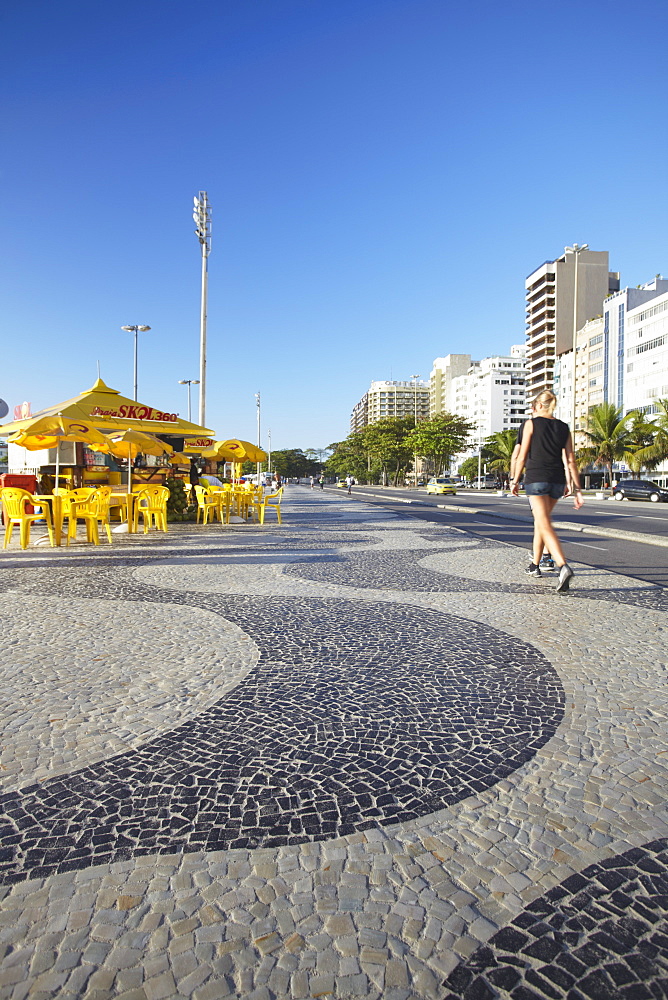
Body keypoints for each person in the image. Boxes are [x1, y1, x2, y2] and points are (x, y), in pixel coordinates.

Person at [510, 390, 583, 593]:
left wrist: (515, 479)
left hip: (536, 479)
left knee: (544, 523)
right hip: (557, 481)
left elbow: (522, 455)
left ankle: (562, 565)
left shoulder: (531, 424)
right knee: (541, 524)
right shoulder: (563, 427)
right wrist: (577, 489)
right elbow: (570, 460)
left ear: (538, 405)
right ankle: (536, 564)